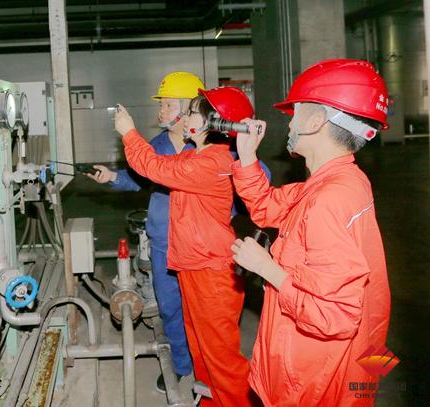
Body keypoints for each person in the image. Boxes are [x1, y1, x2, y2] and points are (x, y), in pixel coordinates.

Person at [230, 58, 391, 406]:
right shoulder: (341, 180)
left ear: (317, 121)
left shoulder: (327, 200)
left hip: (312, 375)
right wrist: (246, 157)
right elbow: (268, 206)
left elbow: (334, 315)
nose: (290, 122)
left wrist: (266, 268)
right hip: (342, 362)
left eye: (297, 113)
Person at [114, 87, 258, 407]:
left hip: (212, 273)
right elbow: (156, 166)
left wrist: (129, 132)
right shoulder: (196, 156)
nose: (186, 117)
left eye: (192, 112)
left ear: (215, 123)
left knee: (221, 360)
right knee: (201, 350)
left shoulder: (212, 162)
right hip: (193, 266)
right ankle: (210, 402)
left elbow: (154, 167)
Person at [88, 71, 204, 391]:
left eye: (168, 105)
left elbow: (248, 177)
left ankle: (206, 366)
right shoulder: (159, 144)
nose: (160, 112)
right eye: (161, 105)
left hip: (200, 243)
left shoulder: (210, 146)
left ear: (189, 108)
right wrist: (112, 177)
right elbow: (139, 176)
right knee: (170, 306)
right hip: (164, 239)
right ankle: (181, 365)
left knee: (202, 308)